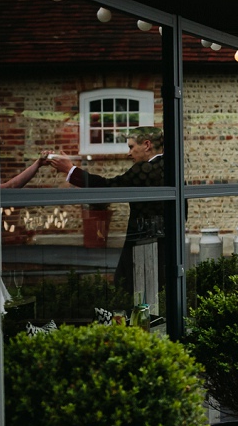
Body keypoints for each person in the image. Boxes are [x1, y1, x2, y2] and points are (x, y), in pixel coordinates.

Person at [49, 125, 171, 301]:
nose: (129, 153)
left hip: (143, 243)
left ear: (147, 145)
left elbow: (107, 187)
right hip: (166, 243)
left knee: (127, 288)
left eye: (131, 147)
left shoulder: (145, 169)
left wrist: (70, 170)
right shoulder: (171, 166)